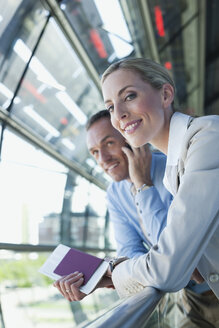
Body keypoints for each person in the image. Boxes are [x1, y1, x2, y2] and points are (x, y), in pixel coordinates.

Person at [54, 109, 219, 327]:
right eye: (94, 152)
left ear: (130, 138)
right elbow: (130, 251)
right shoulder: (115, 193)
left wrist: (142, 185)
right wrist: (112, 273)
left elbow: (184, 262)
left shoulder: (176, 167)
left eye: (109, 143)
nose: (102, 159)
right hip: (191, 298)